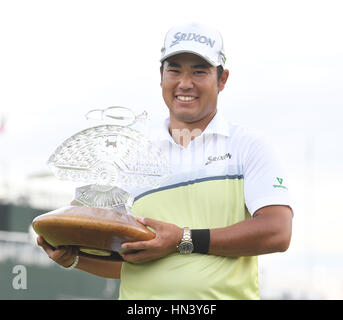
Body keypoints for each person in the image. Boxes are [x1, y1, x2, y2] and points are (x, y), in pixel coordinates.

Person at [37, 22, 293, 300]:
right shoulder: (129, 158)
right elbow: (131, 260)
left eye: (199, 71)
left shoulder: (248, 146)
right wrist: (73, 258)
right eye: (174, 70)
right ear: (161, 76)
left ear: (222, 79)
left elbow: (277, 232)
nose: (185, 83)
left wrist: (183, 240)